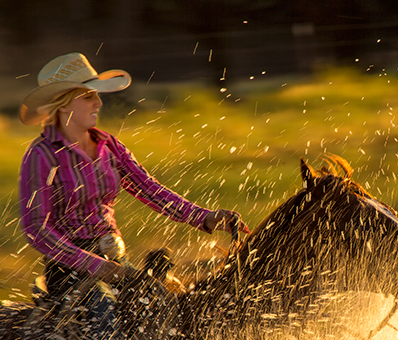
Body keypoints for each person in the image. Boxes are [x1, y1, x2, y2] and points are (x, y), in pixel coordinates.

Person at [19, 52, 249, 308]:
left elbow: (148, 189)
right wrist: (97, 265)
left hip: (116, 259)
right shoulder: (41, 155)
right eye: (88, 97)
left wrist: (202, 217)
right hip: (69, 272)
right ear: (63, 105)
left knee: (163, 310)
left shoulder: (109, 146)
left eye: (96, 95)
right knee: (104, 314)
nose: (98, 103)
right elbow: (36, 229)